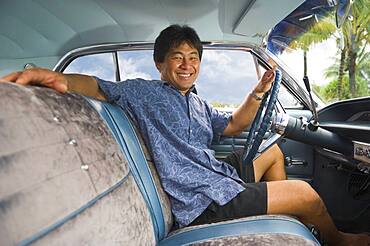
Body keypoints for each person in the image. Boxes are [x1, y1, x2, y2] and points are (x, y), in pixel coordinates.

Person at [1, 24, 369, 246]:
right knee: (305, 193)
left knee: (272, 154)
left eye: (193, 57)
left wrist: (258, 91)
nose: (187, 64)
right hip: (199, 202)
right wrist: (59, 79)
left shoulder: (195, 103)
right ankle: (340, 241)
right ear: (160, 63)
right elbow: (98, 87)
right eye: (177, 56)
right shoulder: (143, 93)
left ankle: (289, 217)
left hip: (218, 181)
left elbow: (232, 126)